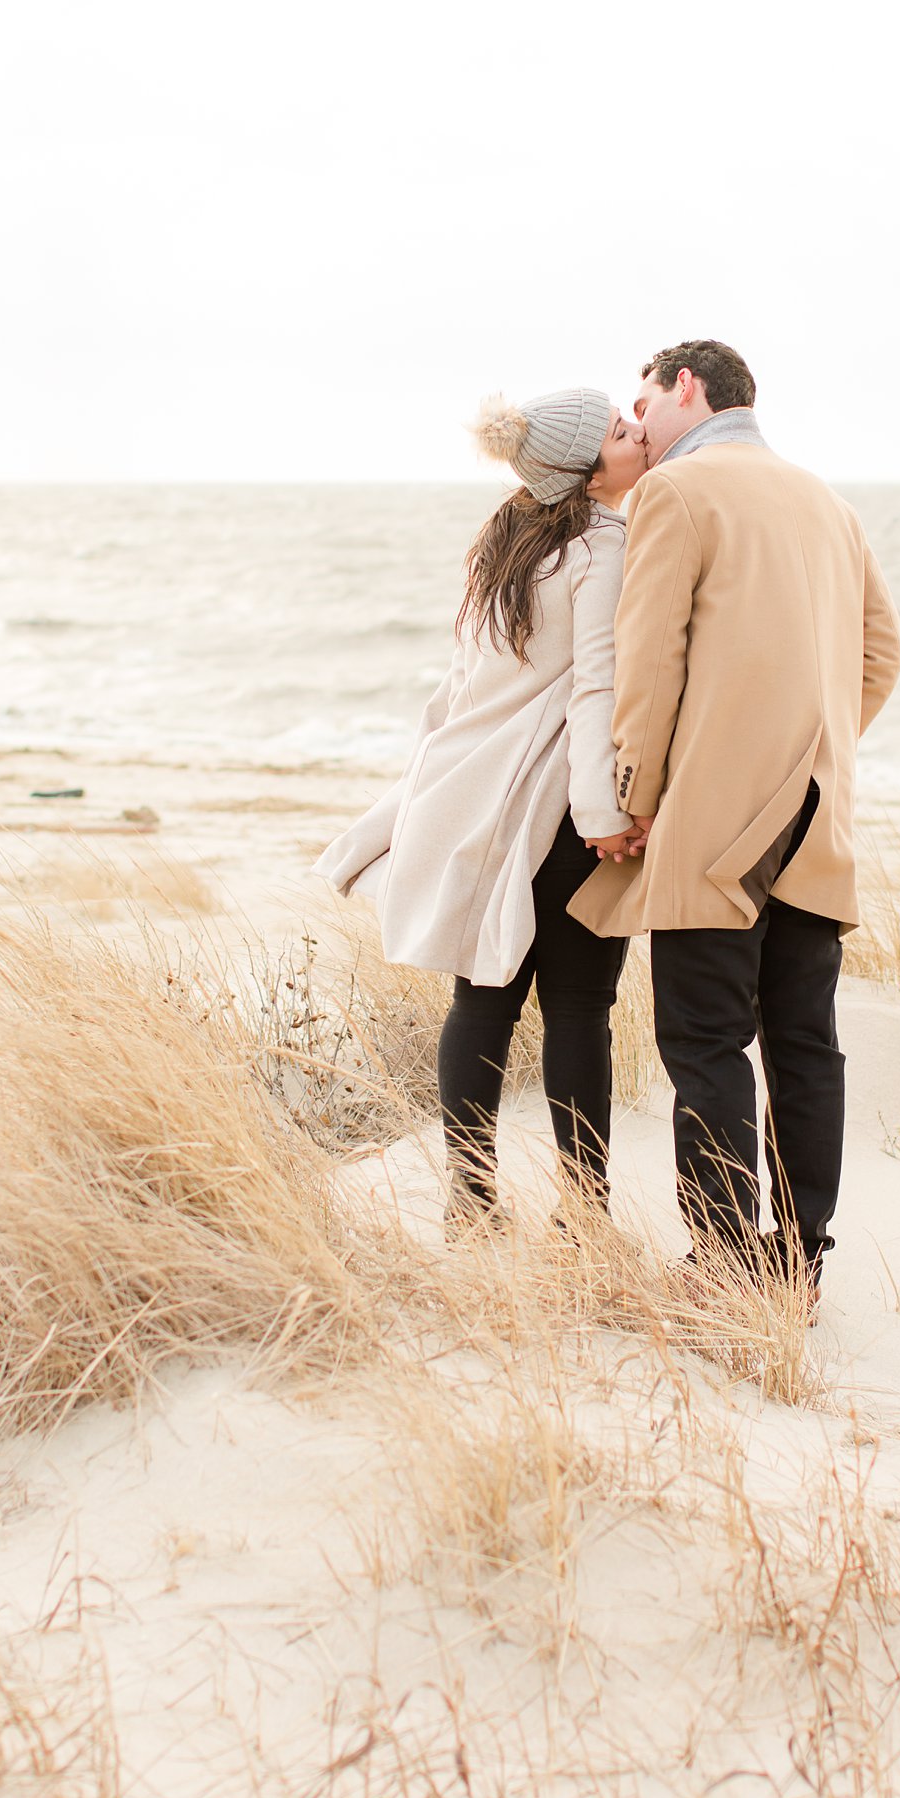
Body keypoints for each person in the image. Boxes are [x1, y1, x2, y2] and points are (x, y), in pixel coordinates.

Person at [569, 342, 900, 1301]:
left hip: (715, 830)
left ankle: (722, 1261)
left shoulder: (674, 493)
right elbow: (881, 659)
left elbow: (648, 664)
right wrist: (810, 750)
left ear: (687, 387)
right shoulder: (828, 501)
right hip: (815, 823)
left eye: (644, 398)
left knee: (706, 1044)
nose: (639, 423)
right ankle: (798, 1260)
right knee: (805, 1042)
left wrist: (632, 797)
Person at [314, 388, 648, 1235]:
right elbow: (596, 688)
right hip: (561, 805)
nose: (635, 433)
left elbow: (458, 687)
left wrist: (429, 782)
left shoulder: (502, 538)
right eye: (618, 430)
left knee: (482, 999)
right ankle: (581, 1216)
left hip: (476, 799)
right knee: (578, 1007)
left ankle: (470, 1197)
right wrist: (601, 809)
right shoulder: (604, 545)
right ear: (583, 465)